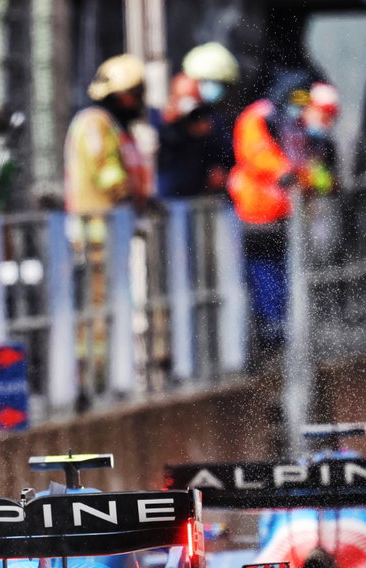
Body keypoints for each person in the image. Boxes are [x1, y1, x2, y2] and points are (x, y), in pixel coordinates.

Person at [229, 72, 341, 354]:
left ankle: (289, 336)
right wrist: (285, 173)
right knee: (264, 279)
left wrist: (322, 182)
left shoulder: (293, 122)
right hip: (255, 216)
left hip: (286, 218)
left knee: (287, 279)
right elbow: (258, 153)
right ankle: (272, 338)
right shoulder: (259, 118)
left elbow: (308, 164)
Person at [64, 52, 150, 231]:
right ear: (119, 95)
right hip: (97, 230)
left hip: (114, 229)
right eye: (135, 94)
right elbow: (105, 168)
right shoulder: (95, 122)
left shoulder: (114, 126)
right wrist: (127, 197)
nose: (139, 101)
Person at [155, 42, 240, 200]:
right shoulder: (163, 116)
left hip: (201, 203)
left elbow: (228, 154)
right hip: (172, 204)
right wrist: (174, 122)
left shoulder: (213, 118)